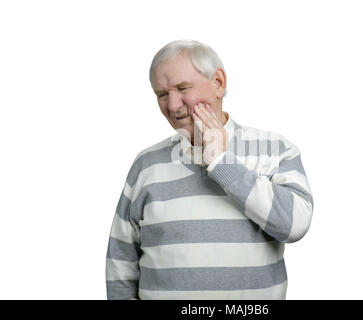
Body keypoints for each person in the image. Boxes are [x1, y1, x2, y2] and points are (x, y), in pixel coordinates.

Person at [105, 39, 314, 300]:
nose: (172, 105)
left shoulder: (274, 149)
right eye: (162, 94)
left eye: (183, 88)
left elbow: (295, 225)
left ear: (218, 83)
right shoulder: (146, 164)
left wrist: (222, 163)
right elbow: (120, 262)